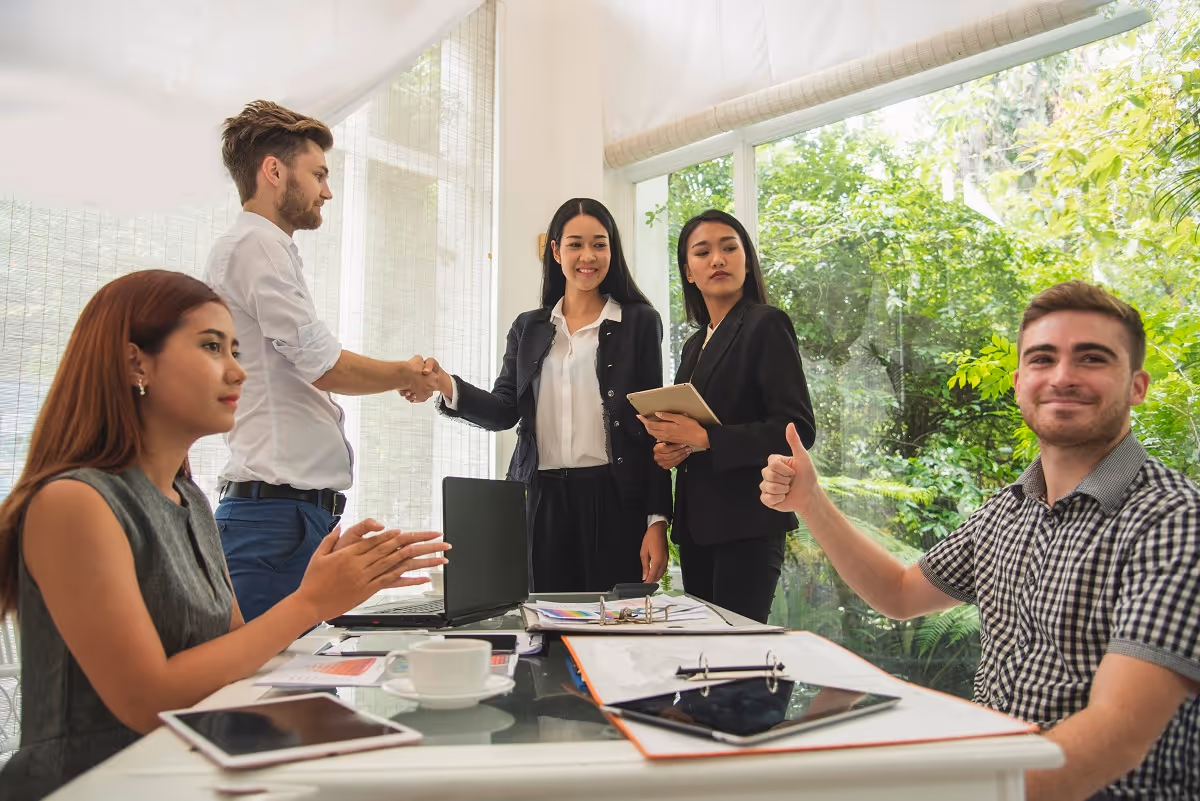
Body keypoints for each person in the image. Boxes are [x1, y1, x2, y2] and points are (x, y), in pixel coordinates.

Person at [0, 270, 449, 801]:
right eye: (213, 347)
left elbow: (234, 648)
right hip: (96, 784)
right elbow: (149, 699)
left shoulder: (190, 501)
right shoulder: (73, 502)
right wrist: (312, 600)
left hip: (191, 770)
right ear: (134, 362)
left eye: (236, 350)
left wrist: (333, 583)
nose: (239, 372)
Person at [760, 281, 1199, 801]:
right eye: (1042, 359)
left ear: (1137, 386)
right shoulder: (1008, 509)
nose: (1062, 376)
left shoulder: (1174, 520)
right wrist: (812, 502)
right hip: (994, 767)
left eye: (1092, 359)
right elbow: (901, 593)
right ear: (1019, 383)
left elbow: (1116, 736)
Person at [206, 101, 441, 621]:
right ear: (274, 170)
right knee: (273, 691)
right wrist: (406, 372)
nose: (326, 191)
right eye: (318, 175)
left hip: (290, 520)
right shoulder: (256, 246)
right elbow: (323, 363)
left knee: (305, 687)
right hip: (273, 523)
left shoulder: (265, 249)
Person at [423, 198, 671, 592]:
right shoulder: (529, 327)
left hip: (614, 498)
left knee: (614, 629)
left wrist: (656, 520)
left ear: (612, 250)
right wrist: (446, 386)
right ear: (555, 250)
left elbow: (656, 426)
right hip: (540, 500)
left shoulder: (639, 322)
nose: (587, 256)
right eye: (575, 244)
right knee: (543, 626)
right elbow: (505, 410)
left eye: (599, 244)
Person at [640, 209, 815, 624]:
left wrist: (706, 439)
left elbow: (797, 428)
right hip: (698, 526)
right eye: (703, 252)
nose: (717, 259)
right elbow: (694, 432)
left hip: (747, 525)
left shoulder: (766, 324)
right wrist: (674, 448)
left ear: (747, 260)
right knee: (708, 664)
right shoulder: (694, 345)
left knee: (736, 665)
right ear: (688, 270)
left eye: (729, 248)